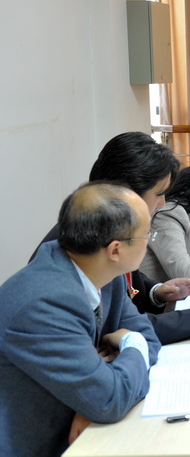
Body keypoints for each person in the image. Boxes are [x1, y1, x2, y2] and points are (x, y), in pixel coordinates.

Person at [33, 132, 190, 345]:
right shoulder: (83, 243)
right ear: (127, 192)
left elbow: (127, 295)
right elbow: (123, 329)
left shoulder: (109, 227)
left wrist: (156, 291)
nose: (162, 203)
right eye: (159, 194)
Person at [0, 183, 160, 456]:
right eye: (147, 234)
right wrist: (131, 344)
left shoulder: (102, 271)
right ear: (115, 250)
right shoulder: (43, 303)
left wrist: (96, 393)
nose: (149, 240)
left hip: (82, 431)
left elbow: (150, 339)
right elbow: (110, 398)